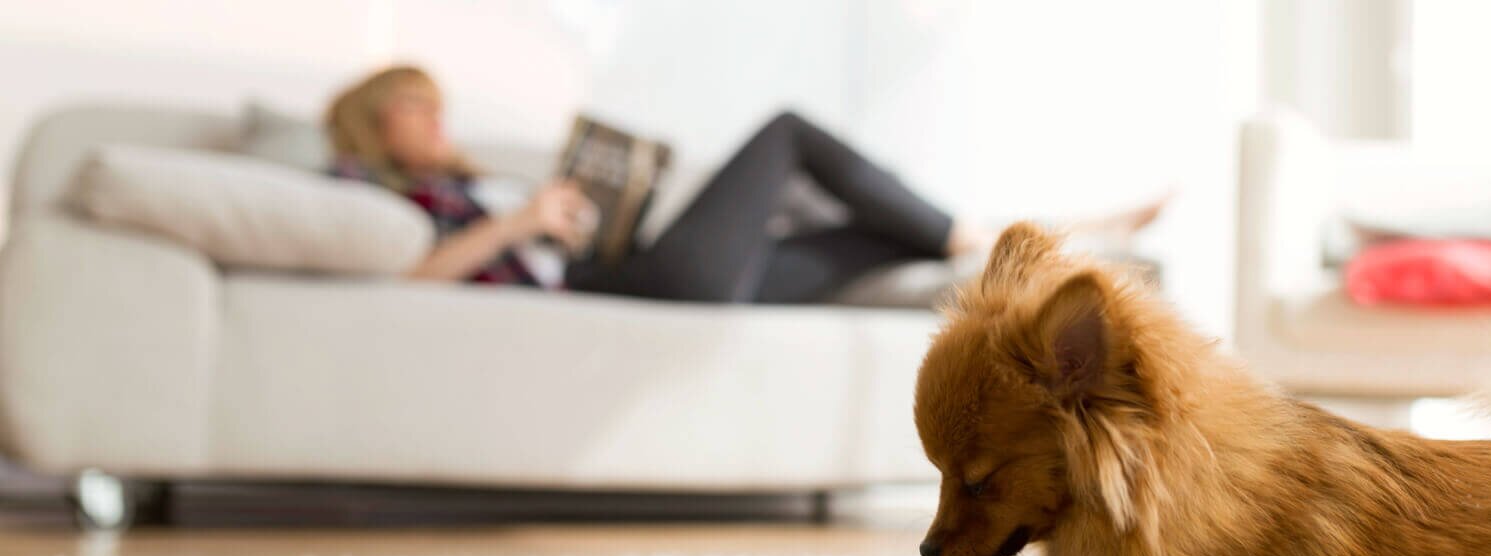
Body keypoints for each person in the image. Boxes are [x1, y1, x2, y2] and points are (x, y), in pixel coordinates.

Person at [323, 65, 1163, 303]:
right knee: (790, 131)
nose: (437, 120)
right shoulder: (374, 192)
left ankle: (1056, 241)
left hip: (637, 261)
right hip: (638, 283)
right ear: (372, 121)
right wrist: (521, 224)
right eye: (413, 107)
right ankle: (969, 231)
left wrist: (561, 214)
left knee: (866, 240)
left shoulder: (472, 182)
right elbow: (412, 272)